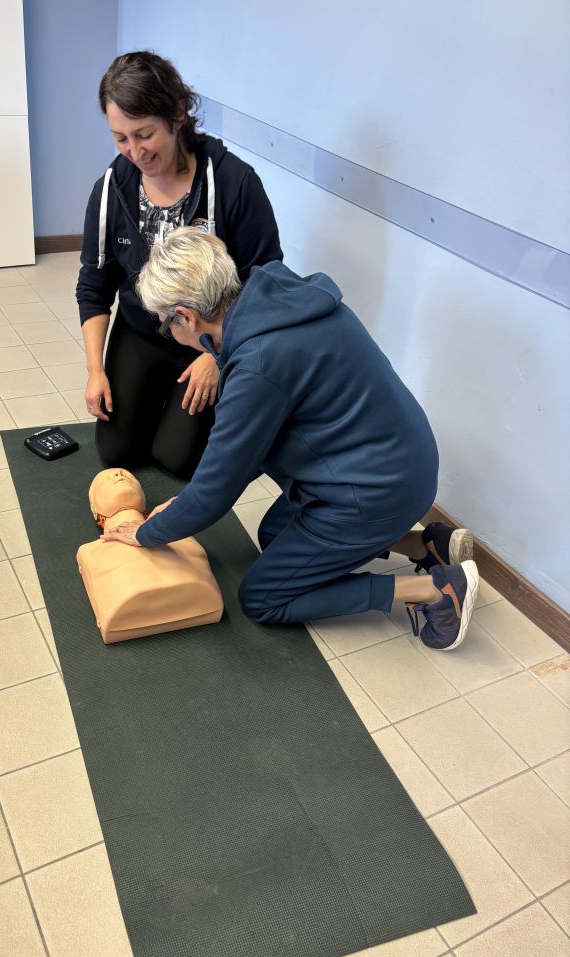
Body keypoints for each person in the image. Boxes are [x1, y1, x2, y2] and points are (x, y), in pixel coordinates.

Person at [103, 228, 480, 651]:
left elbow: (215, 493)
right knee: (274, 535)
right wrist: (185, 504)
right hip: (401, 462)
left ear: (186, 317)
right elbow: (243, 456)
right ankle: (425, 544)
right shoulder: (285, 298)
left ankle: (437, 591)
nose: (168, 331)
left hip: (377, 490)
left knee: (263, 597)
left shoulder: (258, 363)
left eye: (165, 323)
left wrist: (148, 533)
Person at [75, 50, 282, 479]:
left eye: (144, 134)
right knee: (117, 452)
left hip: (207, 340)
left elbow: (264, 281)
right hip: (141, 331)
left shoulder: (234, 183)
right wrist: (95, 370)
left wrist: (219, 358)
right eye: (120, 138)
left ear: (178, 113)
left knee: (177, 460)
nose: (134, 151)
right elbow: (94, 286)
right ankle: (153, 399)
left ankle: (181, 409)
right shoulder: (112, 188)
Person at [77, 468, 223, 643]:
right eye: (105, 480)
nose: (119, 475)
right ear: (94, 509)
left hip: (202, 599)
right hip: (201, 598)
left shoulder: (183, 537)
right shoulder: (89, 552)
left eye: (129, 476)